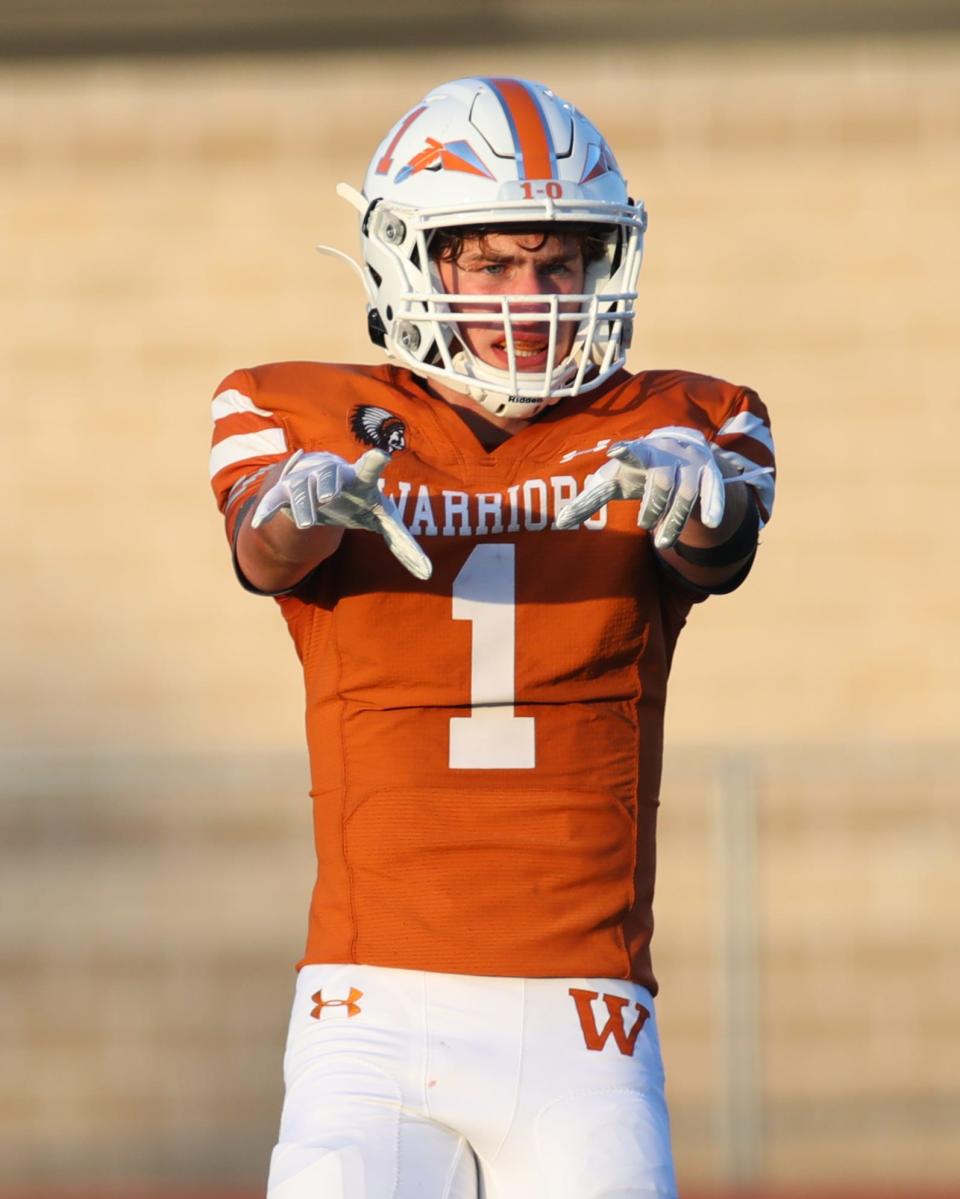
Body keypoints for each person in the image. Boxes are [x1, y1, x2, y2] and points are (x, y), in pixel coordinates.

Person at [209, 75, 775, 1199]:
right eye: (493, 263)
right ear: (412, 262)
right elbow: (262, 544)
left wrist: (698, 489)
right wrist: (301, 500)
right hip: (370, 1014)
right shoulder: (303, 416)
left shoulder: (683, 423)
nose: (533, 297)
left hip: (587, 1014)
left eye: (558, 263)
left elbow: (723, 544)